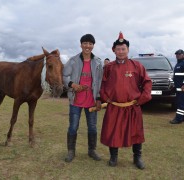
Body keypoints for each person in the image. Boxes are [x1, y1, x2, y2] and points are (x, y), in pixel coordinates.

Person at [99, 32, 152, 169]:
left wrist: (142, 99)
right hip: (114, 107)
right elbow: (103, 84)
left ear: (128, 50)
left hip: (132, 106)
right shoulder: (108, 67)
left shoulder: (137, 66)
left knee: (136, 133)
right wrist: (106, 98)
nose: (121, 51)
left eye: (123, 49)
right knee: (112, 132)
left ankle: (137, 158)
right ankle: (113, 157)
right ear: (114, 50)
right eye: (118, 49)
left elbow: (147, 82)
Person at [63, 34, 103, 162]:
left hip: (91, 101)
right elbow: (64, 76)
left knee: (92, 127)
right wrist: (72, 85)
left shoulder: (98, 62)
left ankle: (92, 151)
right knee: (73, 127)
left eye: (90, 43)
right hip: (75, 101)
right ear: (81, 45)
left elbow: (100, 81)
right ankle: (71, 151)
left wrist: (98, 98)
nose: (87, 46)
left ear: (93, 46)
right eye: (85, 43)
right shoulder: (73, 60)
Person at [170, 49, 184, 124]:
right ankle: (182, 118)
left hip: (182, 88)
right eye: (176, 54)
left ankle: (178, 119)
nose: (177, 55)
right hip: (178, 88)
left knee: (180, 104)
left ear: (183, 55)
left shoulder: (183, 63)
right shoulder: (178, 64)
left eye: (179, 54)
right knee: (181, 103)